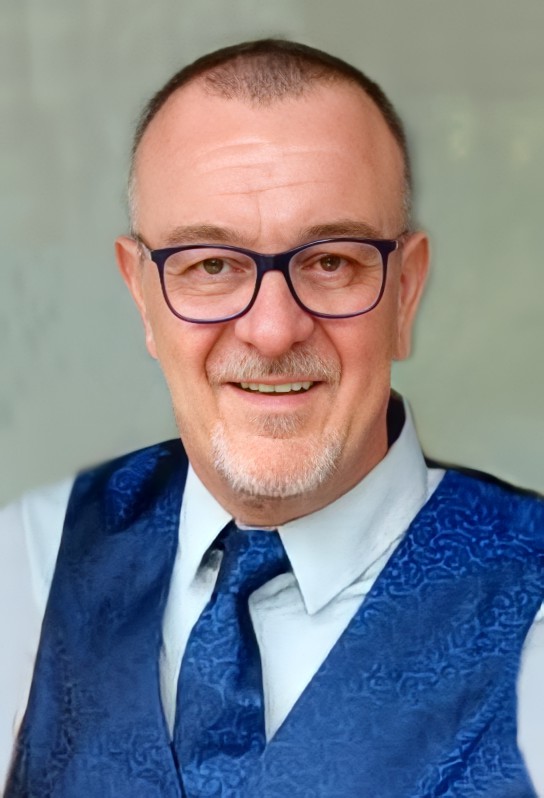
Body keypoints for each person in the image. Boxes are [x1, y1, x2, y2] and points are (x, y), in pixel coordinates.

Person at [1, 38, 543, 798]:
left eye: (331, 261)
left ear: (404, 293)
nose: (273, 330)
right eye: (211, 265)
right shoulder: (31, 561)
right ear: (142, 297)